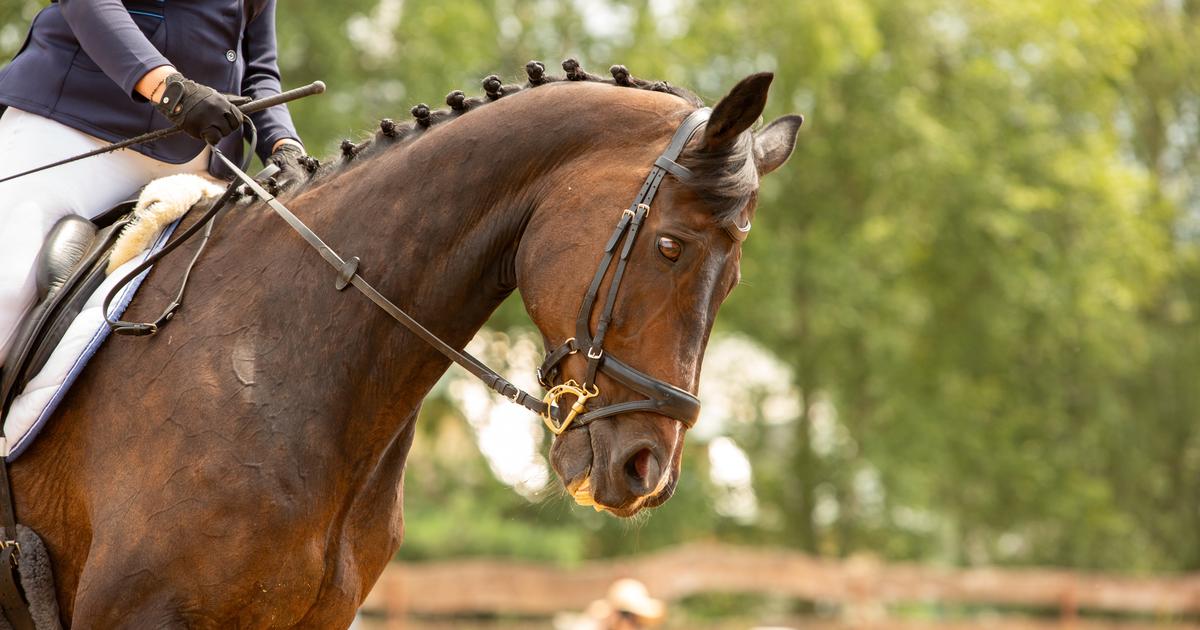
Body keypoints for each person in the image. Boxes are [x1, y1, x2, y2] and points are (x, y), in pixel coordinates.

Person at [0, 0, 309, 359]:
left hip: (198, 166)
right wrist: (171, 91)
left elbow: (257, 65)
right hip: (77, 132)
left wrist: (285, 146)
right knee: (7, 289)